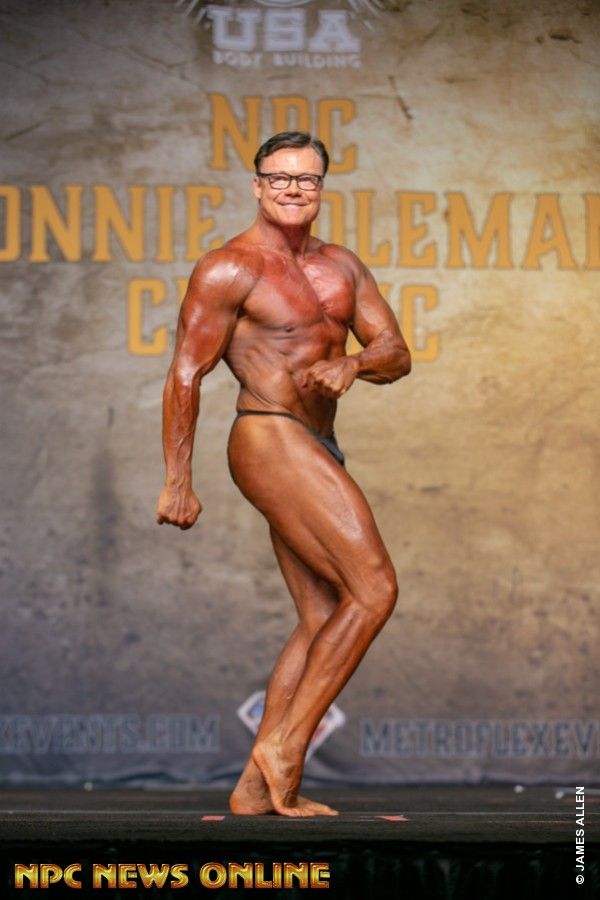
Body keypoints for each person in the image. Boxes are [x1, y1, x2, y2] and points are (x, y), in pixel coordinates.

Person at [156, 132, 411, 817]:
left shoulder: (342, 266)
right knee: (375, 589)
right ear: (258, 186)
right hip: (269, 434)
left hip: (319, 441)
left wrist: (354, 363)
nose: (295, 189)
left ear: (321, 188)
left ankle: (253, 789)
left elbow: (396, 351)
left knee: (324, 614)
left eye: (308, 179)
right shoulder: (230, 268)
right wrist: (178, 479)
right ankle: (286, 745)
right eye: (281, 178)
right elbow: (186, 372)